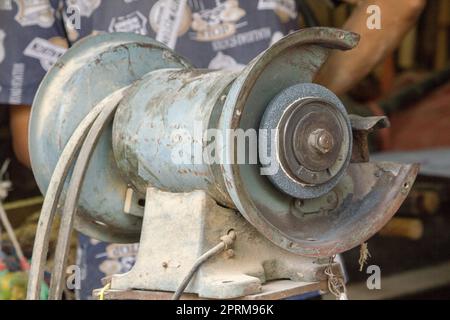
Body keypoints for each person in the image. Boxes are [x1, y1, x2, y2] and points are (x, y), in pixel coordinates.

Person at [0, 0, 425, 299]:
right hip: (290, 226)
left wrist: (284, 105)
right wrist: (286, 98)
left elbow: (40, 139)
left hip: (141, 253)